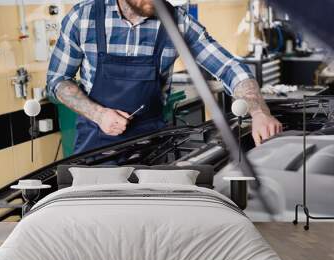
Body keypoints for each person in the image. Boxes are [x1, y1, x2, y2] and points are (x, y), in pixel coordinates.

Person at [47, 0, 282, 154]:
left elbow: (230, 67)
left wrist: (259, 112)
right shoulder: (83, 18)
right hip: (94, 150)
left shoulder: (177, 22)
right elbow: (57, 80)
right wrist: (98, 114)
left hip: (152, 151)